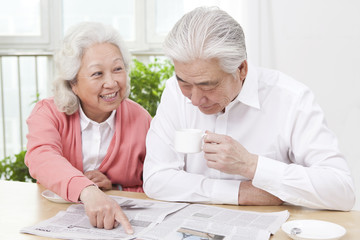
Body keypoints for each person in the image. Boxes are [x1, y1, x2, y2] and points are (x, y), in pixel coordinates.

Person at [143, 6, 356, 211]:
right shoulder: (173, 91)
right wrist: (239, 193)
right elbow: (155, 179)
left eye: (208, 85)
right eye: (185, 83)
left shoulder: (291, 99)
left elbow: (341, 191)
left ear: (241, 69)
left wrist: (251, 165)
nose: (195, 100)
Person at [25, 22, 152, 233]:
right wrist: (87, 190)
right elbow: (41, 156)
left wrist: (115, 188)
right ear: (73, 82)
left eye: (118, 69)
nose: (111, 83)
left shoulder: (141, 119)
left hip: (119, 228)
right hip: (52, 224)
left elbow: (154, 184)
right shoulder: (47, 112)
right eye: (97, 74)